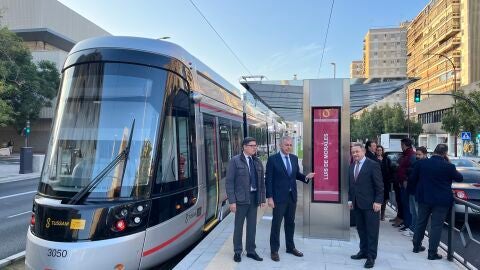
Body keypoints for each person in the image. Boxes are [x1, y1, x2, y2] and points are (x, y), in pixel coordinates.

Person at [266, 136, 315, 262]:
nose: (289, 147)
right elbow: (269, 180)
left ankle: (290, 247)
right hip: (278, 198)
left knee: (290, 223)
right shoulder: (272, 160)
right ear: (280, 146)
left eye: (290, 145)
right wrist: (270, 197)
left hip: (292, 197)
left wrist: (306, 178)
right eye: (286, 145)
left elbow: (296, 175)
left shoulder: (293, 158)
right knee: (276, 224)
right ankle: (274, 250)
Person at [410, 144, 463, 260]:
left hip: (424, 198)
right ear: (445, 153)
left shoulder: (421, 163)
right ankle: (432, 252)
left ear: (434, 151)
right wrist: (447, 162)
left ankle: (416, 246)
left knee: (421, 222)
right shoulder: (449, 166)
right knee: (436, 226)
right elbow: (460, 178)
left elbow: (412, 179)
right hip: (441, 201)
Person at [226, 137, 266, 262]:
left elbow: (261, 183)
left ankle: (251, 250)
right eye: (252, 145)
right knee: (238, 226)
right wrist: (232, 201)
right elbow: (229, 182)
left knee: (252, 226)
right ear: (244, 147)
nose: (255, 147)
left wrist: (262, 199)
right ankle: (237, 251)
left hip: (254, 198)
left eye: (255, 145)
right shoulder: (235, 161)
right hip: (241, 199)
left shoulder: (257, 162)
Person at [349, 143, 384, 269]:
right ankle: (363, 252)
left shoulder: (373, 165)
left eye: (357, 152)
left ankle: (371, 257)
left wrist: (378, 201)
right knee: (361, 230)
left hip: (371, 205)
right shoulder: (352, 166)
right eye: (353, 152)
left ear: (363, 151)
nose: (355, 154)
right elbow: (351, 185)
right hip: (357, 204)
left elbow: (379, 186)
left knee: (372, 232)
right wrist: (350, 200)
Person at [404, 146, 428, 237]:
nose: (417, 156)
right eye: (416, 154)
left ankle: (416, 232)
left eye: (419, 154)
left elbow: (415, 175)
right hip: (412, 189)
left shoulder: (424, 164)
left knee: (417, 212)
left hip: (417, 191)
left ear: (425, 154)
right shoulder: (417, 162)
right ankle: (412, 229)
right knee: (413, 211)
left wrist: (410, 172)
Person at [376, 145, 392, 221]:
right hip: (377, 180)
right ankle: (377, 213)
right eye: (378, 150)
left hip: (385, 181)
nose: (379, 152)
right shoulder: (374, 159)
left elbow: (390, 169)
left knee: (385, 198)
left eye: (380, 150)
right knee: (378, 197)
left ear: (382, 151)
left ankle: (383, 213)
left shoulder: (386, 159)